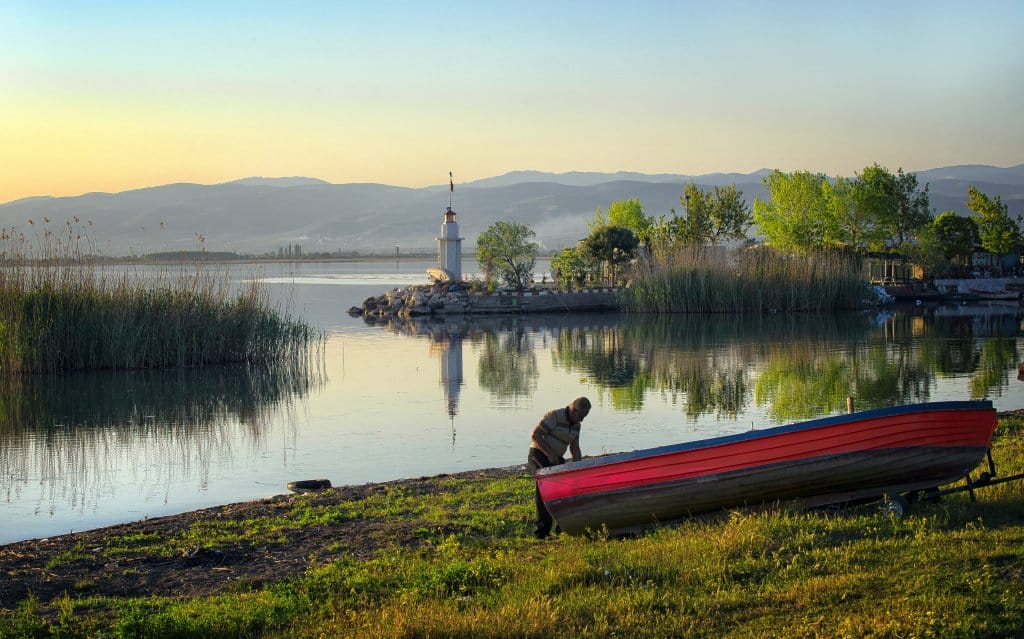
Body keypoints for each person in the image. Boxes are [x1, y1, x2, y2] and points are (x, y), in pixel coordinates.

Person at [527, 396, 591, 538]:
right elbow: (535, 435)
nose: (582, 420)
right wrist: (549, 454)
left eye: (585, 417)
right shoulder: (554, 416)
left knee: (565, 489)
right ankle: (541, 533)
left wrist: (578, 468)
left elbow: (575, 448)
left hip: (556, 458)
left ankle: (561, 528)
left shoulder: (576, 425)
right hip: (538, 454)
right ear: (573, 410)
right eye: (581, 416)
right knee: (546, 491)